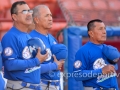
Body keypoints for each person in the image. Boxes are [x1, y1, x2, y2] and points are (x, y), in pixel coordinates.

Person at [1, 1, 63, 90]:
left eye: (29, 11)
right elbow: (10, 65)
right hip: (20, 86)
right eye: (24, 12)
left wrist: (50, 65)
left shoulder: (28, 36)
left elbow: (33, 68)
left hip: (34, 86)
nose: (29, 14)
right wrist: (37, 60)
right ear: (14, 17)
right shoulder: (10, 36)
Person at [73, 19, 120, 90]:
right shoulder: (83, 51)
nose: (104, 32)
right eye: (100, 29)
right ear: (91, 33)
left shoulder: (108, 49)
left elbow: (112, 74)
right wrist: (101, 71)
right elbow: (77, 74)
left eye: (104, 29)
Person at [29, 5, 66, 90]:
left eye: (51, 15)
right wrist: (54, 65)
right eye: (46, 16)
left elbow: (57, 66)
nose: (50, 18)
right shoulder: (31, 39)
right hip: (40, 85)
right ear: (36, 20)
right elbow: (29, 69)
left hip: (55, 84)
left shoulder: (52, 38)